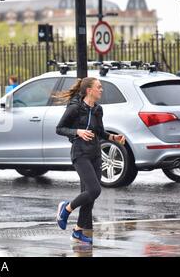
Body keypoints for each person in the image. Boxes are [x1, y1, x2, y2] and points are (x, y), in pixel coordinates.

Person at [54, 77, 125, 245]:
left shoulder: (98, 109)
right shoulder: (75, 108)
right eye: (99, 87)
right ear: (89, 90)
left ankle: (78, 232)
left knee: (90, 197)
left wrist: (113, 137)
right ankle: (66, 208)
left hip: (95, 154)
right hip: (80, 154)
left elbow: (100, 132)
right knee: (94, 190)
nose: (101, 90)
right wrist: (77, 131)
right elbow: (59, 129)